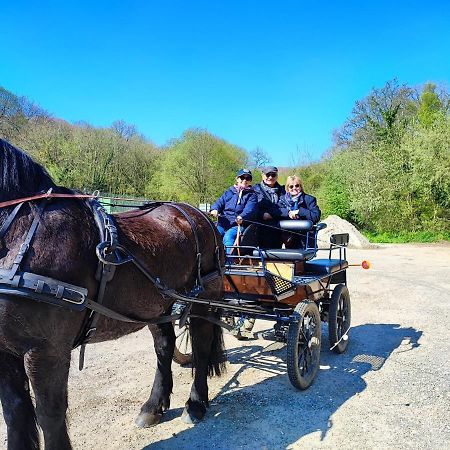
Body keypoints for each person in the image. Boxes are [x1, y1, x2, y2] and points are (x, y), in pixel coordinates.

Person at [210, 169, 258, 255]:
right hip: (223, 223)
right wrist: (215, 209)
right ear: (237, 179)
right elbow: (219, 203)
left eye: (248, 178)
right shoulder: (229, 192)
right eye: (242, 177)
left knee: (228, 236)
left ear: (250, 181)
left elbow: (250, 209)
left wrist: (242, 217)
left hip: (239, 225)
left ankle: (229, 263)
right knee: (212, 235)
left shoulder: (252, 195)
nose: (245, 180)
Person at [281, 175, 321, 248]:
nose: (294, 188)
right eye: (291, 186)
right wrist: (288, 213)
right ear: (287, 188)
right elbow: (278, 212)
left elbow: (316, 216)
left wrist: (300, 211)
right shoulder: (282, 200)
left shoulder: (310, 199)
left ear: (301, 186)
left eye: (297, 186)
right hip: (289, 240)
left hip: (307, 240)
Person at [253, 166, 286, 248]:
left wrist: (271, 214)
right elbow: (251, 207)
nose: (270, 177)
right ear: (263, 175)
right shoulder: (254, 190)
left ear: (277, 176)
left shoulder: (284, 190)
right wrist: (262, 215)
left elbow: (286, 206)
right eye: (268, 175)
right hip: (259, 229)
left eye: (273, 175)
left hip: (278, 230)